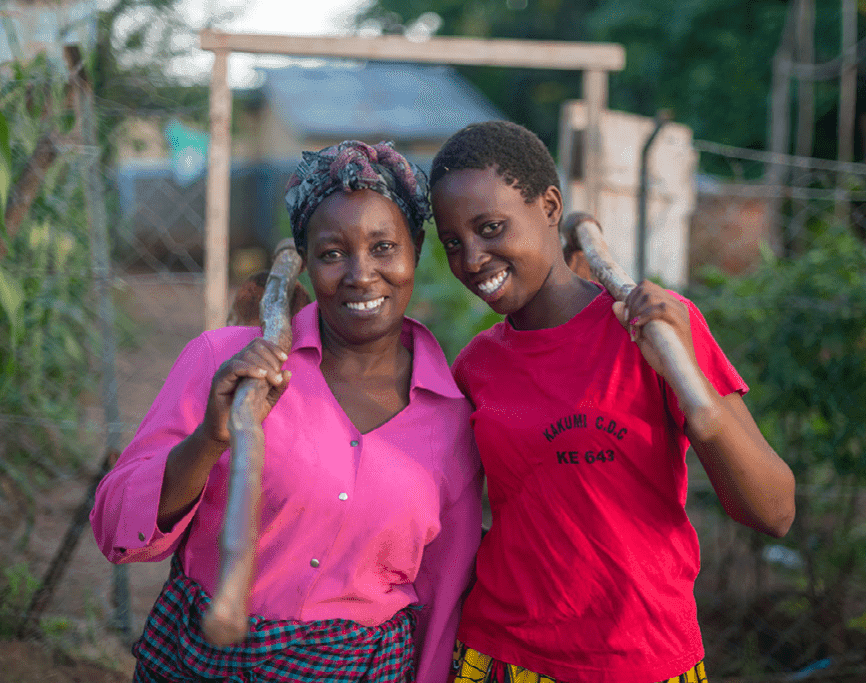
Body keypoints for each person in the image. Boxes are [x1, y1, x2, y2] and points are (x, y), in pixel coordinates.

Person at [91, 141, 483, 683]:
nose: (361, 274)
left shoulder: (452, 419)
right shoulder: (227, 363)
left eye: (384, 247)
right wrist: (209, 438)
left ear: (415, 249)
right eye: (332, 253)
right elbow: (115, 526)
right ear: (304, 262)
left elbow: (442, 600)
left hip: (364, 671)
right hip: (206, 662)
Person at [429, 121, 796, 683]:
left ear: (550, 205)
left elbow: (773, 511)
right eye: (454, 241)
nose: (472, 258)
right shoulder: (477, 367)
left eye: (491, 227)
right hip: (502, 657)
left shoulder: (652, 329)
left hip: (642, 658)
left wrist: (693, 390)